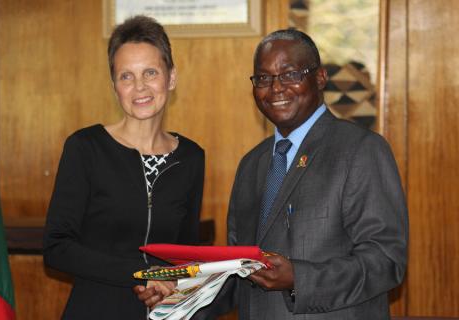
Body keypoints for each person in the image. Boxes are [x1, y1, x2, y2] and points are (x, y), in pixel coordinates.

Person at [141, 28, 408, 320]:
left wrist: (299, 278)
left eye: (290, 74)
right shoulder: (251, 165)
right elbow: (238, 273)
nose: (276, 88)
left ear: (319, 78)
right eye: (264, 78)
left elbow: (386, 261)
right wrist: (178, 293)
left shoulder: (361, 150)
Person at [43, 15, 205, 319]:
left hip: (165, 312)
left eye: (150, 72)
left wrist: (172, 282)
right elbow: (56, 247)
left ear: (171, 78)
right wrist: (140, 273)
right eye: (126, 76)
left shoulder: (192, 158)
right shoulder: (85, 147)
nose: (139, 87)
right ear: (114, 85)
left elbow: (186, 251)